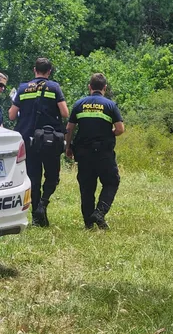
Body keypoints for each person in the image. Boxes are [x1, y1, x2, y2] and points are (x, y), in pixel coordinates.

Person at [9, 57, 69, 227]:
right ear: (49, 71)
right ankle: (43, 203)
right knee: (52, 176)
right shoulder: (54, 87)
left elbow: (12, 116)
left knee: (33, 178)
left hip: (28, 140)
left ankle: (36, 216)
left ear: (34, 70)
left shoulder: (22, 88)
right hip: (50, 139)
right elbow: (64, 113)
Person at [65, 73, 125, 230]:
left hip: (83, 153)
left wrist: (68, 147)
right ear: (105, 88)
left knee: (86, 187)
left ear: (89, 87)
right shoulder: (110, 105)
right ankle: (99, 212)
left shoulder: (79, 104)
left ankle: (88, 223)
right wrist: (109, 133)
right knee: (111, 182)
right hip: (103, 153)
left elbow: (69, 128)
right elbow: (120, 129)